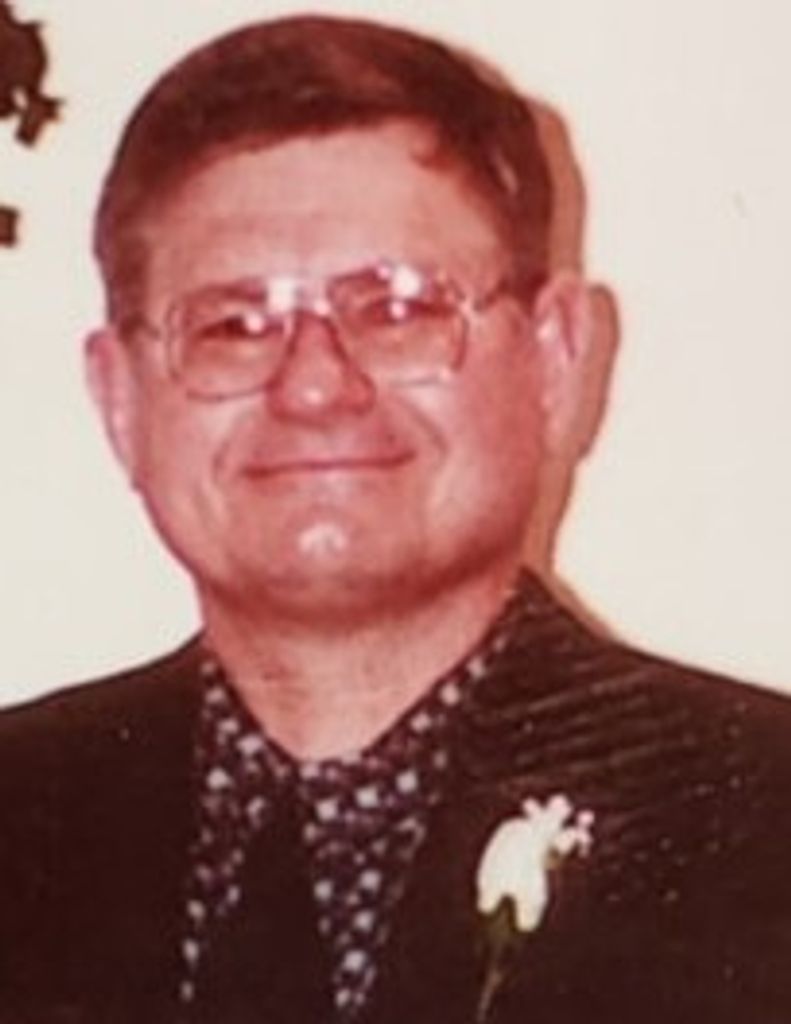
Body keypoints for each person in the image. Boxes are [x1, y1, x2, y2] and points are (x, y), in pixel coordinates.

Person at [1, 13, 789, 1024]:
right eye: (235, 325)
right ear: (119, 400)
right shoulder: (21, 820)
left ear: (554, 360)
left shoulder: (758, 825)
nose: (314, 384)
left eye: (399, 307)